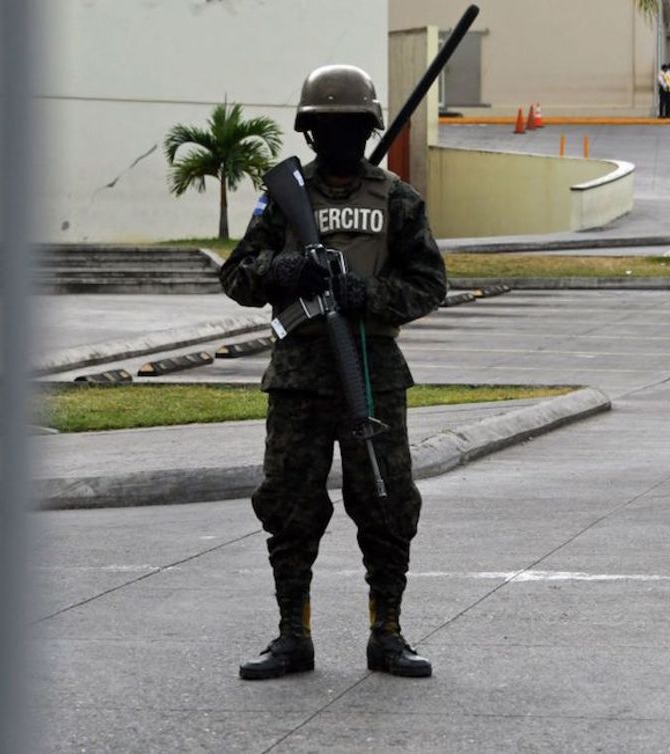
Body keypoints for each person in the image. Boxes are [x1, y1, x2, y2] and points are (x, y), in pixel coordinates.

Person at [220, 64, 448, 678]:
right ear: (310, 132)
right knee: (289, 503)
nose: (340, 137)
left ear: (369, 129)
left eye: (350, 127)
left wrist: (365, 297)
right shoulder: (284, 198)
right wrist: (292, 272)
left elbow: (430, 284)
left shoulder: (396, 199)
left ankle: (388, 632)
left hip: (371, 371)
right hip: (299, 374)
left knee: (386, 500)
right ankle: (293, 633)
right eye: (327, 127)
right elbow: (238, 275)